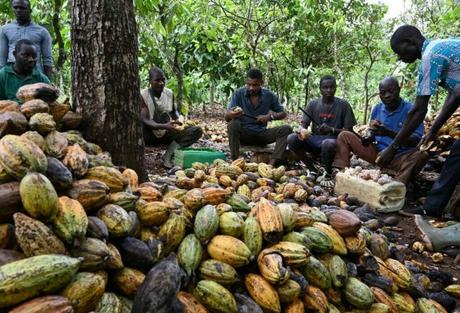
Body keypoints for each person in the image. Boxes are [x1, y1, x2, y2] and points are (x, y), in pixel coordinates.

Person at [379, 25, 459, 217]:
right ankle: (432, 208)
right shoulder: (442, 47)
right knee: (457, 154)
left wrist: (393, 147)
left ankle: (432, 208)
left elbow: (418, 110)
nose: (400, 58)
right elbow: (455, 93)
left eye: (399, 52)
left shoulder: (430, 56)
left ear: (411, 43)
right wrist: (433, 129)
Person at [332, 77, 428, 186]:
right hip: (378, 155)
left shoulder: (411, 110)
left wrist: (388, 133)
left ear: (399, 89)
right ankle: (343, 175)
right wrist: (368, 136)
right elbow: (372, 130)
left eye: (391, 91)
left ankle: (397, 186)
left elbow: (415, 140)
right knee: (344, 136)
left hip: (400, 157)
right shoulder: (377, 108)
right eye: (383, 93)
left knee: (422, 155)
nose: (387, 95)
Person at [287, 75, 356, 175]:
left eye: (332, 87)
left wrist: (331, 130)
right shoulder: (313, 104)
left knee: (327, 143)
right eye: (325, 87)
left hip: (334, 141)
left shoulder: (343, 105)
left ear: (335, 88)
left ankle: (326, 171)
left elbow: (350, 131)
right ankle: (311, 168)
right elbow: (304, 125)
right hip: (315, 140)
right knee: (291, 138)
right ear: (320, 89)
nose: (329, 90)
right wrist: (301, 131)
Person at [225, 68, 292, 166]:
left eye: (255, 85)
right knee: (233, 124)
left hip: (262, 135)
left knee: (286, 129)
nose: (251, 88)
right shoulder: (238, 94)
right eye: (249, 84)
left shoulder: (269, 95)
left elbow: (283, 113)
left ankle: (271, 164)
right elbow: (227, 117)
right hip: (244, 135)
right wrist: (232, 114)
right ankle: (235, 161)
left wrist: (269, 117)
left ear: (261, 83)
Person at [141, 67, 203, 168]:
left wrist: (179, 120)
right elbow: (145, 119)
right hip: (148, 135)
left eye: (163, 80)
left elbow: (174, 112)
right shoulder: (143, 95)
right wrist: (164, 126)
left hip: (166, 132)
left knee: (196, 130)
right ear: (150, 81)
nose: (161, 83)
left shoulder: (169, 93)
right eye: (157, 80)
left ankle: (168, 155)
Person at [0, 0, 53, 79]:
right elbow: (2, 59)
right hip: (12, 74)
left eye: (22, 8)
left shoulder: (42, 32)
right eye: (16, 7)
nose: (18, 10)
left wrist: (48, 82)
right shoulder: (5, 30)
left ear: (30, 10)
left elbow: (47, 60)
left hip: (34, 74)